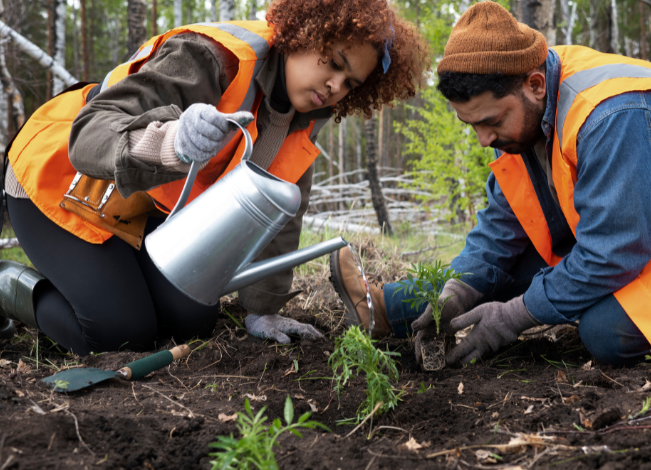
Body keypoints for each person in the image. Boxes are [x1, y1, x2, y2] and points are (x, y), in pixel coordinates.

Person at [329, 0, 651, 367]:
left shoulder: (615, 114)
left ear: (535, 84)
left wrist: (513, 316)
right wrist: (457, 293)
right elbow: (498, 235)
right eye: (472, 127)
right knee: (492, 271)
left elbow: (614, 252)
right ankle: (385, 308)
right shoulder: (524, 113)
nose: (484, 140)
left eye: (490, 122)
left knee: (604, 331)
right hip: (645, 242)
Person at [1, 0, 427, 356]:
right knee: (120, 333)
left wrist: (264, 308)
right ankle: (8, 285)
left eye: (350, 82)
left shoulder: (305, 115)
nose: (335, 85)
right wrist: (170, 143)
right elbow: (89, 135)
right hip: (58, 178)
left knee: (192, 321)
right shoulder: (211, 57)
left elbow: (278, 211)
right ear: (304, 30)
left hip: (139, 208)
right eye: (333, 62)